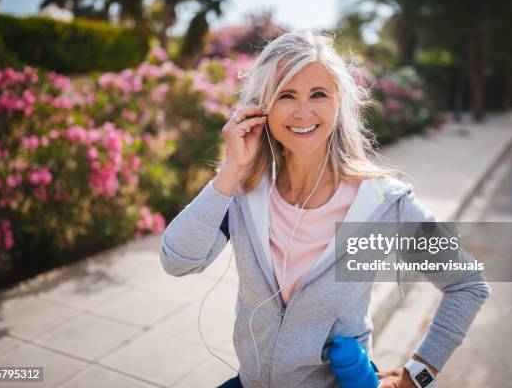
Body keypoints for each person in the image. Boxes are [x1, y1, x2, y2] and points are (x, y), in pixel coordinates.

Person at [160, 31, 491, 388]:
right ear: (262, 108)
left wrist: (418, 376)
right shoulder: (246, 191)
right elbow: (178, 261)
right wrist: (231, 172)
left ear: (338, 102)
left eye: (318, 94)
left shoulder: (382, 204)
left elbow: (467, 284)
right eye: (286, 95)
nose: (303, 112)